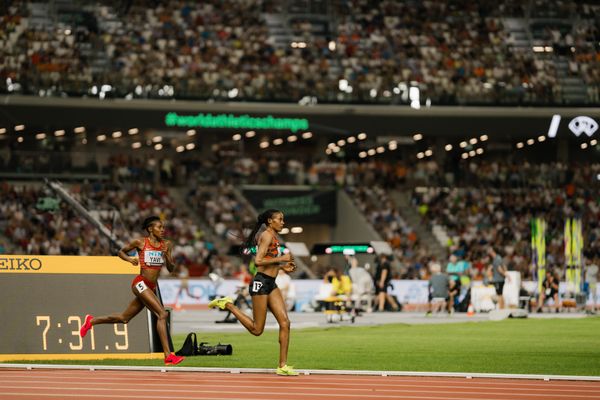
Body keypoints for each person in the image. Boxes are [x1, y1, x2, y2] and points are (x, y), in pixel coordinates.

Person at [79, 216, 184, 366]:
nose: (163, 230)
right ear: (150, 229)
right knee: (162, 314)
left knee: (124, 318)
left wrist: (167, 257)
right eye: (159, 227)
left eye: (163, 227)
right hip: (140, 283)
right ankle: (168, 356)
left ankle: (91, 321)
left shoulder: (166, 244)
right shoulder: (140, 242)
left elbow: (171, 269)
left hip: (151, 288)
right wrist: (130, 260)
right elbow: (121, 252)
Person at [208, 209, 298, 376]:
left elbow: (267, 263)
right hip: (260, 283)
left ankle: (282, 365)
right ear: (270, 221)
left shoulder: (274, 237)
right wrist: (282, 259)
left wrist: (282, 267)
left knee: (285, 323)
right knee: (257, 330)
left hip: (271, 283)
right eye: (280, 219)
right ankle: (228, 305)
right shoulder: (266, 236)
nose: (283, 222)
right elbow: (258, 261)